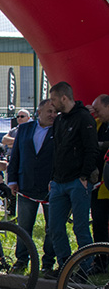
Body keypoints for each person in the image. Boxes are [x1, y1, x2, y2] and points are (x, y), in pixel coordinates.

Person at [48, 81, 99, 272]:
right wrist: (52, 178)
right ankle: (65, 266)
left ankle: (86, 268)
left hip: (78, 181)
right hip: (59, 182)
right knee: (55, 227)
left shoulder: (84, 118)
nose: (51, 104)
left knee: (81, 227)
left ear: (64, 97)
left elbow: (91, 149)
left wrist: (85, 176)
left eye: (53, 99)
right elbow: (56, 150)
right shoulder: (59, 120)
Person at [7, 99, 57, 276]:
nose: (53, 115)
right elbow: (16, 156)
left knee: (52, 228)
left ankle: (48, 264)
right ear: (39, 112)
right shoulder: (25, 129)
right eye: (49, 111)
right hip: (26, 185)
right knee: (24, 226)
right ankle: (21, 261)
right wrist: (12, 180)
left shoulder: (59, 130)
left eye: (55, 112)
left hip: (50, 188)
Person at [90, 94, 109, 252]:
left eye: (98, 110)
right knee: (98, 223)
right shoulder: (96, 124)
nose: (96, 113)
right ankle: (101, 260)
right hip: (98, 185)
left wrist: (100, 145)